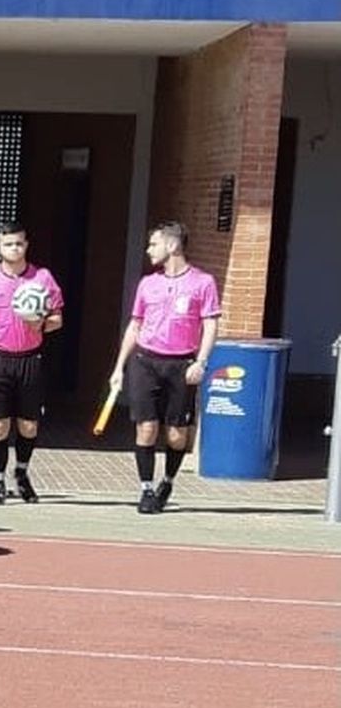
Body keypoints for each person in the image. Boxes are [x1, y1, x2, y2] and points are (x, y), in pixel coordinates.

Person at [108, 220, 220, 513]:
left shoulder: (203, 282)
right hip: (146, 360)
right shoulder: (148, 283)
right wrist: (119, 368)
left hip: (181, 364)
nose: (148, 250)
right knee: (146, 427)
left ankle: (167, 482)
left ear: (172, 246)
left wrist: (201, 362)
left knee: (176, 434)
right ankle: (145, 489)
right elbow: (135, 324)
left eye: (153, 244)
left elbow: (210, 325)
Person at [0, 222, 65, 505]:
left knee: (29, 425)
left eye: (18, 243)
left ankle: (22, 473)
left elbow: (58, 320)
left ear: (26, 245)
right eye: (8, 244)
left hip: (30, 359)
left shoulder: (42, 278)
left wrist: (40, 323)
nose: (14, 249)